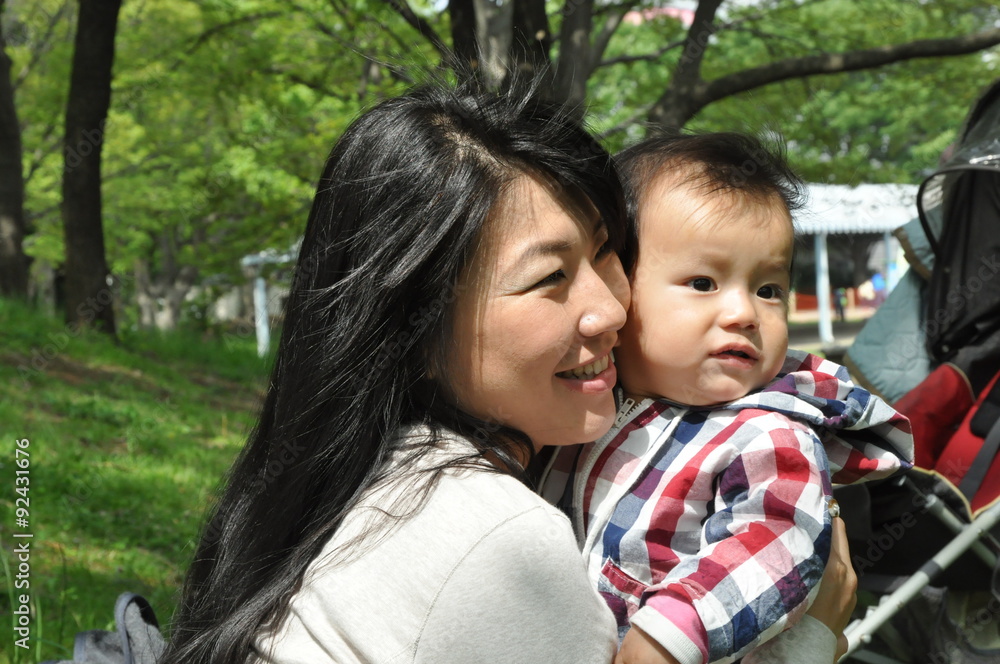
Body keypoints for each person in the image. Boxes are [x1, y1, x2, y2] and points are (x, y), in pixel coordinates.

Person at [158, 85, 856, 664]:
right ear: (417, 328)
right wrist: (813, 641)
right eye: (550, 277)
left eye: (606, 253)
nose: (610, 309)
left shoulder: (360, 469)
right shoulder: (501, 546)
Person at [541, 133, 914, 664]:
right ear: (617, 285)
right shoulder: (584, 404)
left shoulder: (769, 433)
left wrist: (670, 635)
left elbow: (775, 538)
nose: (744, 313)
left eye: (768, 290)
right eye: (703, 282)